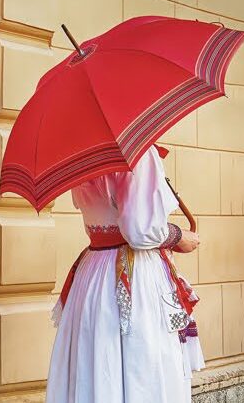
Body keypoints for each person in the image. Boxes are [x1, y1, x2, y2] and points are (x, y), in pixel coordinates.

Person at [46, 145, 204, 403]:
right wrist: (179, 236)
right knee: (143, 366)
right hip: (134, 273)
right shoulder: (138, 153)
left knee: (95, 360)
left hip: (94, 272)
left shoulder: (84, 153)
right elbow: (141, 231)